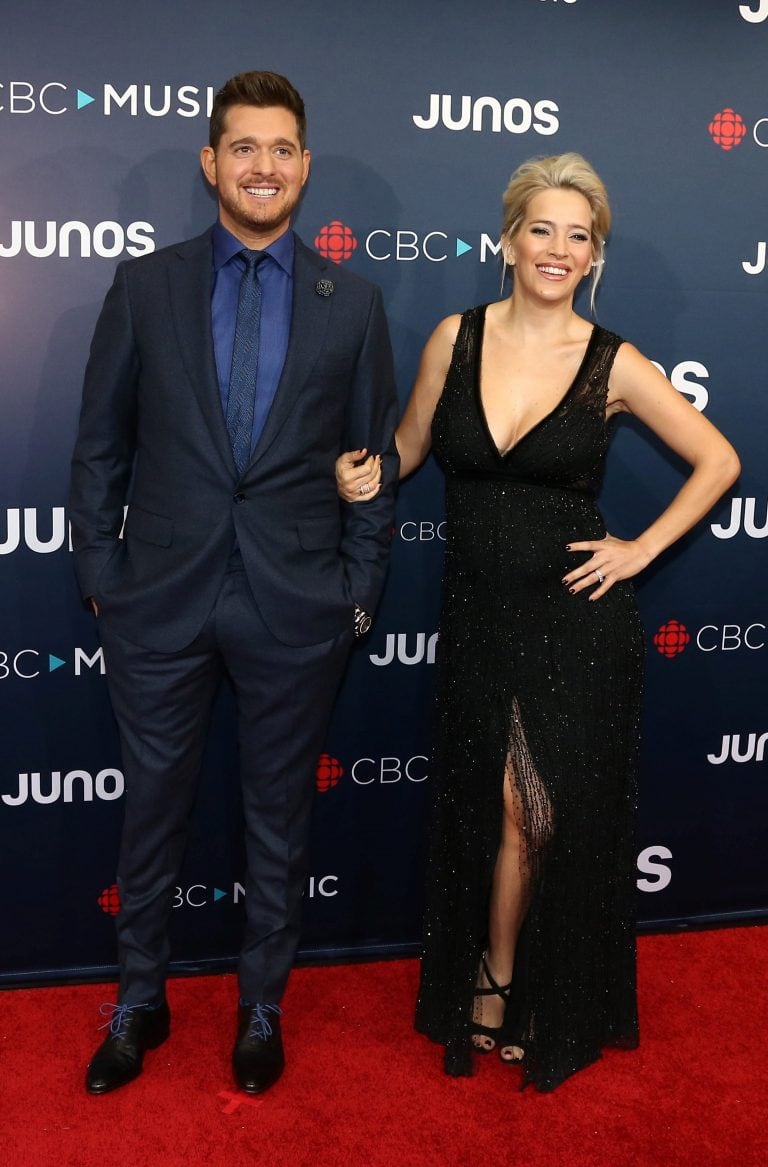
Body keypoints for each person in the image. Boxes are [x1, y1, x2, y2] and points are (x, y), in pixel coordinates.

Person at [336, 153, 739, 1091]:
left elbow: (718, 461)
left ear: (594, 256)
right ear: (509, 240)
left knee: (534, 811)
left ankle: (508, 976)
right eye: (543, 230)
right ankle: (500, 970)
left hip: (576, 626)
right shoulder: (455, 338)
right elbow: (406, 450)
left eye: (578, 236)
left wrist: (637, 549)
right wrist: (365, 474)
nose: (558, 249)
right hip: (478, 615)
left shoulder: (614, 362)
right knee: (492, 807)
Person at [69, 70, 398, 1097]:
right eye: (244, 147)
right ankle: (139, 1001)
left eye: (283, 150)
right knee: (152, 811)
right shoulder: (145, 287)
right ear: (213, 163)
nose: (264, 166)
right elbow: (98, 451)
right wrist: (103, 578)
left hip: (296, 605)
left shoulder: (355, 304)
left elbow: (373, 464)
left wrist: (357, 593)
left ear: (305, 169)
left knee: (277, 821)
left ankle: (262, 1004)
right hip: (159, 600)